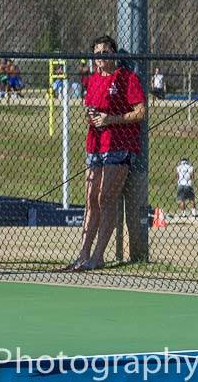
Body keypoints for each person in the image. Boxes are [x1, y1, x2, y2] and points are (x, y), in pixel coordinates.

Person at [65, 34, 146, 272]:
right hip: (96, 147)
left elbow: (140, 112)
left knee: (105, 197)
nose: (100, 58)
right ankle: (83, 254)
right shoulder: (92, 81)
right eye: (97, 54)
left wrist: (111, 119)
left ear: (113, 54)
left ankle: (98, 256)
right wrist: (92, 117)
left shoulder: (126, 78)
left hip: (118, 147)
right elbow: (88, 111)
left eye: (105, 53)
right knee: (91, 200)